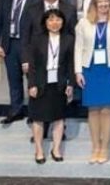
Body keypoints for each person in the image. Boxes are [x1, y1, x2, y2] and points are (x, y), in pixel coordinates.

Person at [74, 0, 110, 164]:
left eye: (106, 1)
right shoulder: (83, 23)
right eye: (100, 2)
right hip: (89, 69)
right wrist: (78, 71)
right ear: (94, 4)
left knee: (107, 109)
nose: (103, 4)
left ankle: (105, 147)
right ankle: (95, 147)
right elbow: (78, 48)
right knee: (93, 109)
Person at [0, 0, 40, 124]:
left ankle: (34, 113)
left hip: (29, 45)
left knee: (33, 79)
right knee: (14, 79)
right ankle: (16, 110)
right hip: (10, 44)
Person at [27, 9, 73, 164]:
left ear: (63, 22)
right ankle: (39, 150)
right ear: (45, 23)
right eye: (51, 20)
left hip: (59, 84)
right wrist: (32, 84)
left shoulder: (69, 39)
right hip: (40, 83)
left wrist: (70, 84)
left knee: (59, 118)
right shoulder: (37, 39)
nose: (55, 23)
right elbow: (32, 65)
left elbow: (71, 64)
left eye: (58, 19)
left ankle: (56, 149)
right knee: (38, 118)